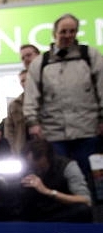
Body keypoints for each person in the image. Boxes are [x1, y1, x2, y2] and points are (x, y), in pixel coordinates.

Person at [24, 13, 103, 181]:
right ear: (54, 33)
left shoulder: (91, 56)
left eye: (72, 31)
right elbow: (31, 97)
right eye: (63, 31)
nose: (68, 35)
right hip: (54, 134)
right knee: (58, 177)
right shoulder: (40, 63)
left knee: (90, 177)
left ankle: (90, 206)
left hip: (87, 130)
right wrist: (33, 123)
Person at [18, 138, 92, 222]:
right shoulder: (23, 167)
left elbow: (85, 200)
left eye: (40, 167)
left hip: (60, 211)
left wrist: (47, 191)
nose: (36, 170)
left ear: (48, 158)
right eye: (32, 166)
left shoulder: (67, 166)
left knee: (82, 210)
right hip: (36, 213)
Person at [4, 44, 40, 154]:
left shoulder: (46, 91)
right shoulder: (14, 104)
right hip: (23, 151)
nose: (26, 60)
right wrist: (13, 150)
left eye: (29, 55)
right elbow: (9, 131)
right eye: (22, 80)